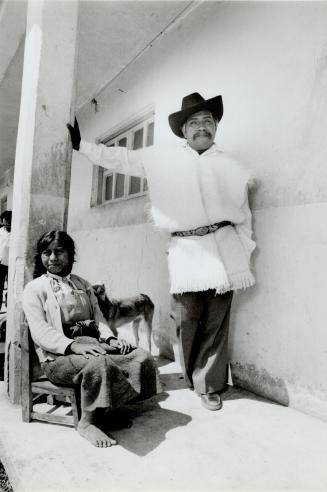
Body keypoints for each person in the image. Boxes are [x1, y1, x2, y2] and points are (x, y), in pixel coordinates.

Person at [67, 92, 256, 411]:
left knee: (216, 322)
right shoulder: (162, 158)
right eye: (194, 122)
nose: (201, 127)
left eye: (207, 121)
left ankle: (208, 384)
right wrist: (82, 146)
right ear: (183, 130)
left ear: (216, 127)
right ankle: (192, 373)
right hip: (186, 250)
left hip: (226, 250)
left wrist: (243, 252)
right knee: (187, 318)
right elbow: (121, 159)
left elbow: (245, 216)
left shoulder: (231, 165)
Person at [22, 230, 159, 447]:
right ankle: (87, 423)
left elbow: (99, 318)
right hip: (57, 357)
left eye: (59, 251)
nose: (53, 258)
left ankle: (106, 409)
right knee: (99, 363)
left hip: (93, 347)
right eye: (47, 253)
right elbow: (39, 331)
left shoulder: (83, 284)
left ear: (71, 254)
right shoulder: (34, 289)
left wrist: (111, 339)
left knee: (141, 356)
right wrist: (73, 345)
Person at [0, 211, 11, 312]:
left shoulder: (16, 232)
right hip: (1, 265)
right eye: (5, 220)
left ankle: (9, 303)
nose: (7, 222)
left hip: (12, 266)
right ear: (2, 221)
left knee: (12, 287)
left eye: (9, 220)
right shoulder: (0, 232)